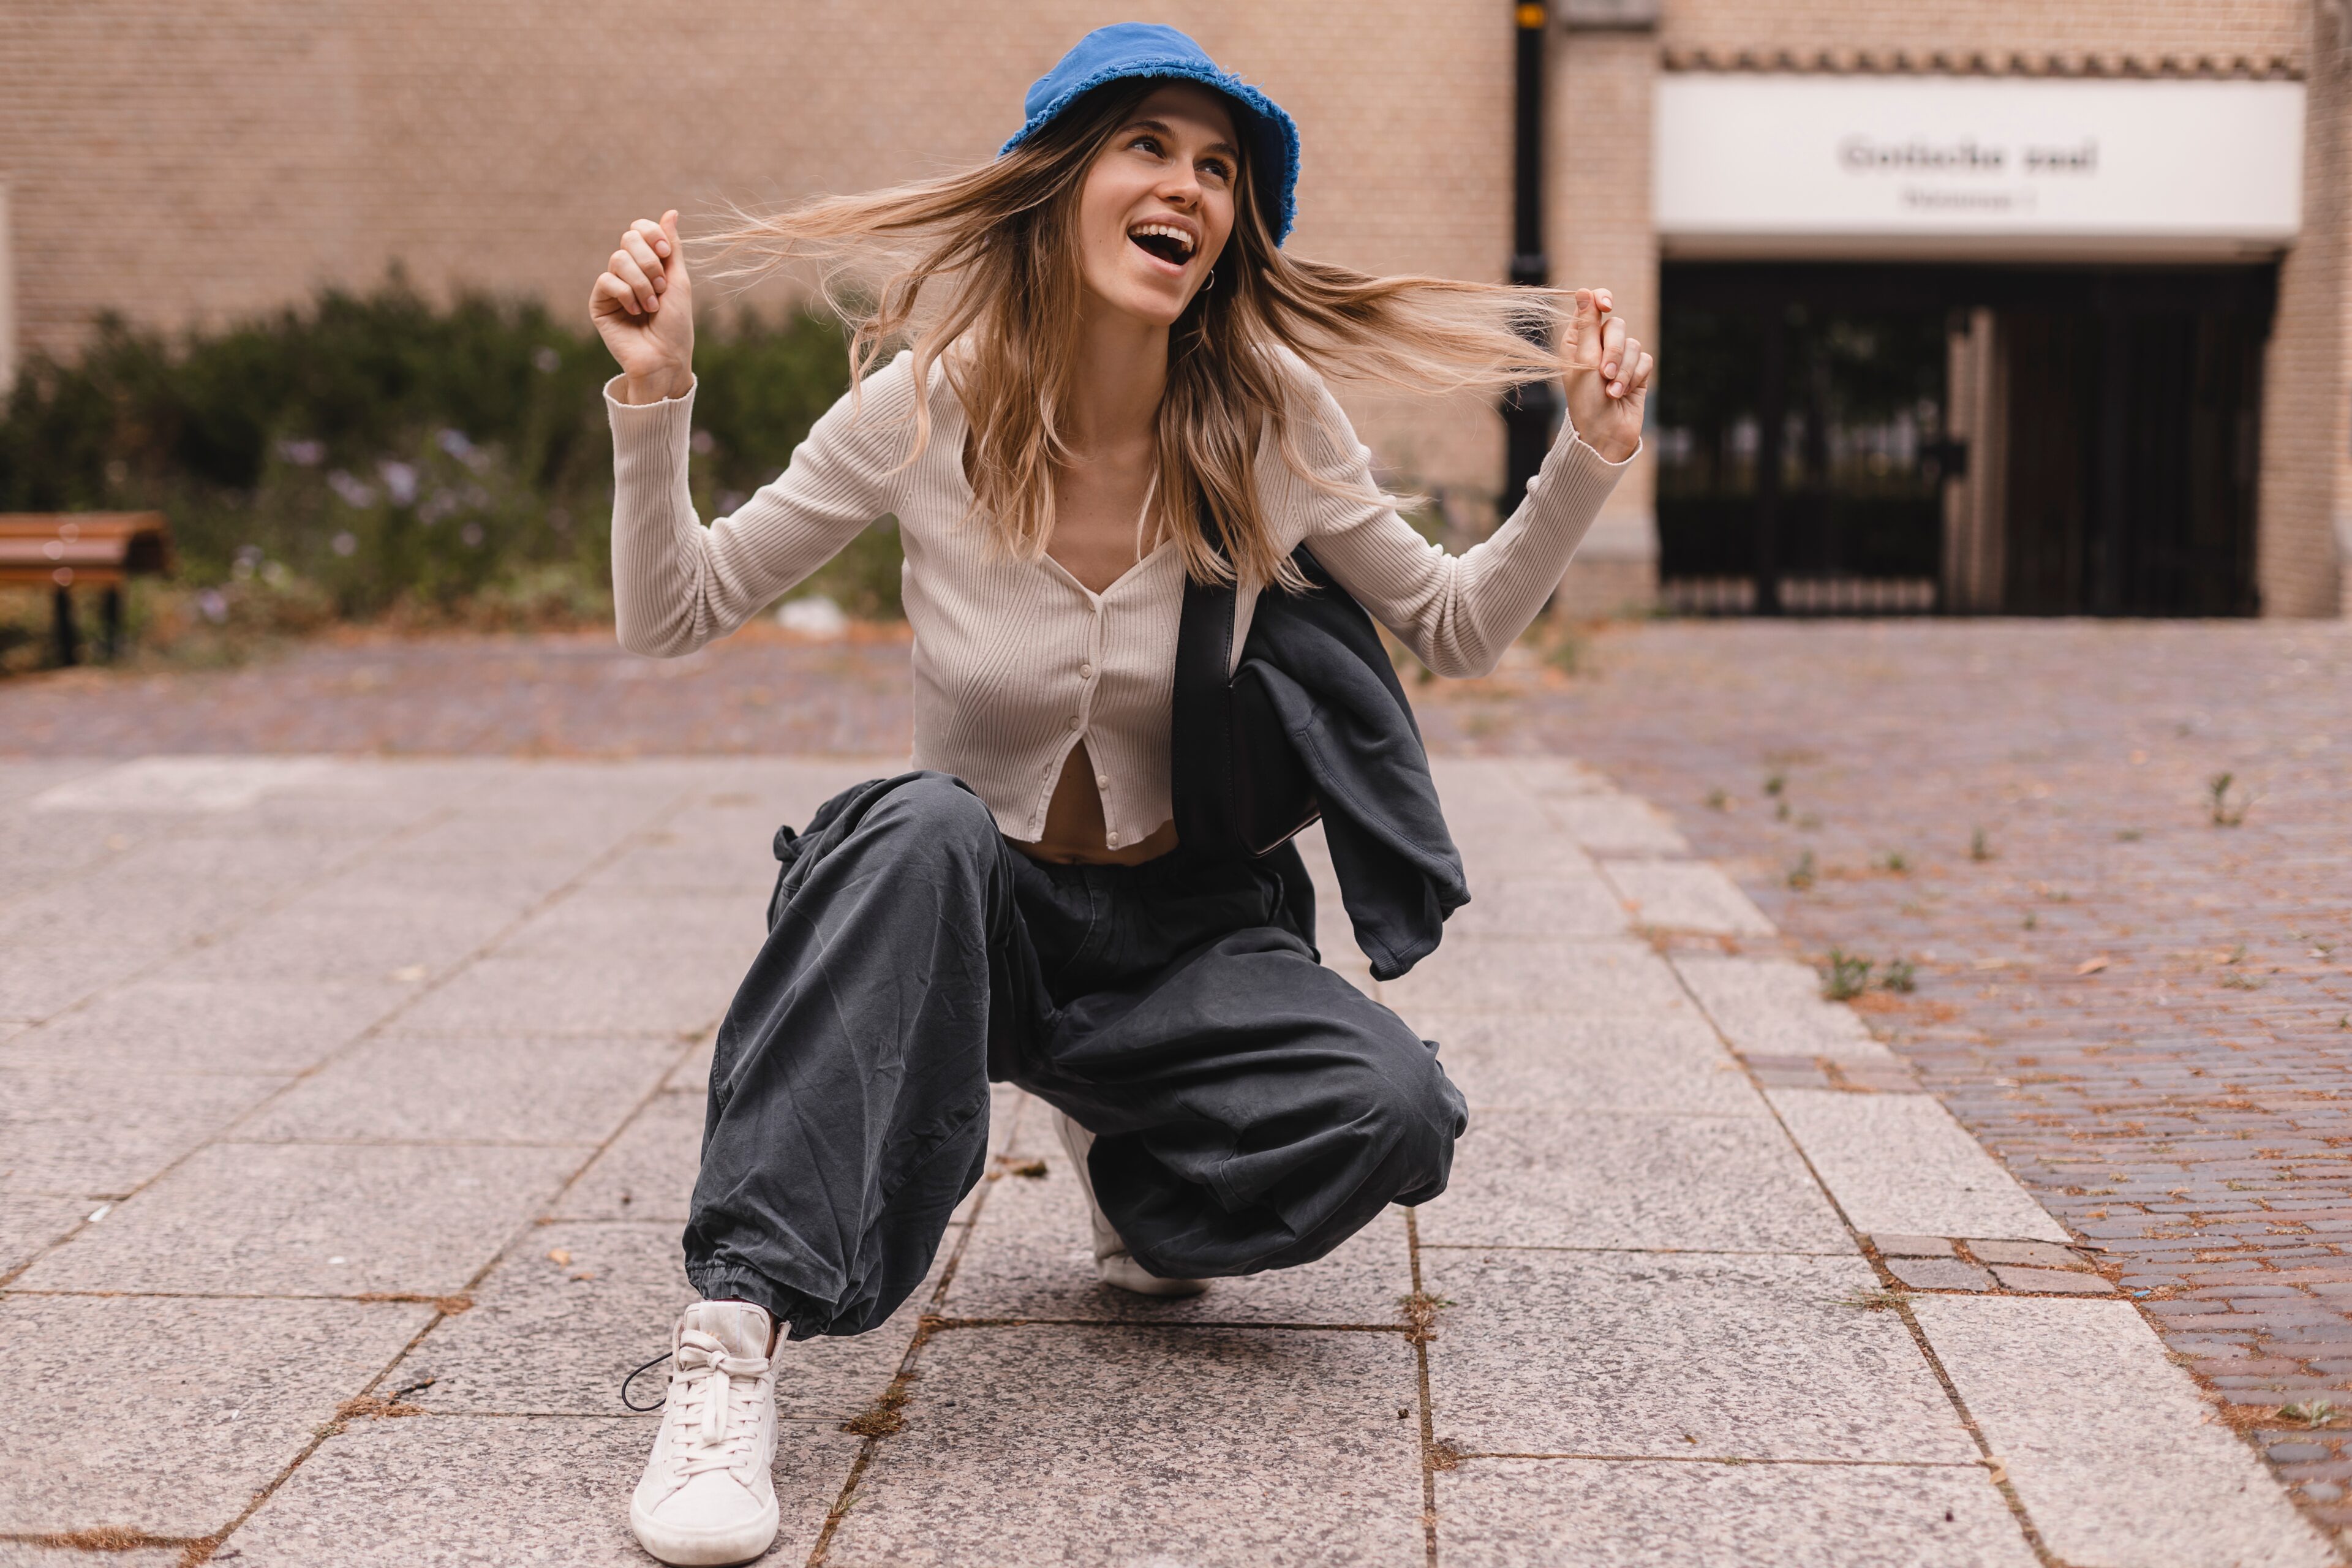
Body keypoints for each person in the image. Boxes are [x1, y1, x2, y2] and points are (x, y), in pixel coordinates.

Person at [589, 23, 1650, 1565]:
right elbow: (671, 611)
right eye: (1150, 146)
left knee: (1397, 1109)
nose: (1189, 187)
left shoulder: (1265, 414)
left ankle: (1136, 1172)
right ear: (1062, 180)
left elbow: (1456, 621)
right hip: (968, 918)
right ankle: (730, 1338)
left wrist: (1587, 461)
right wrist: (657, 393)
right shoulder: (925, 405)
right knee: (921, 820)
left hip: (1177, 930)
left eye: (1220, 168)